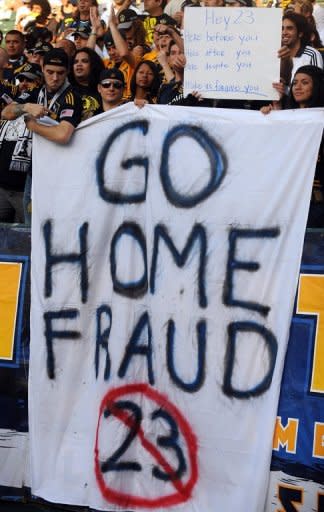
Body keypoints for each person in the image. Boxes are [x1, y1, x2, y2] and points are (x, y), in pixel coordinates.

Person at [1, 48, 82, 224]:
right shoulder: (35, 93)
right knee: (29, 228)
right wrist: (25, 107)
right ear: (43, 68)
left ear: (67, 72)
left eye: (60, 73)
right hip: (34, 171)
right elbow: (6, 112)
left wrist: (34, 126)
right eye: (50, 72)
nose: (54, 78)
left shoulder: (72, 97)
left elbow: (63, 134)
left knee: (47, 226)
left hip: (59, 173)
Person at [262, 65, 324, 228]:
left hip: (316, 206)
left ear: (317, 86)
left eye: (305, 82)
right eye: (295, 82)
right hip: (288, 203)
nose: (297, 87)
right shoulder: (284, 115)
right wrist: (270, 119)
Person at [282, 11, 323, 81]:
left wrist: (286, 90)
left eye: (289, 28)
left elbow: (317, 85)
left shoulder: (311, 54)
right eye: (282, 28)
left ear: (300, 33)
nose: (284, 32)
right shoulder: (276, 53)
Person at [70, 47, 104, 119]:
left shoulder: (104, 88)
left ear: (93, 65)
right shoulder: (66, 89)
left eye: (84, 61)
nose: (79, 64)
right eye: (75, 62)